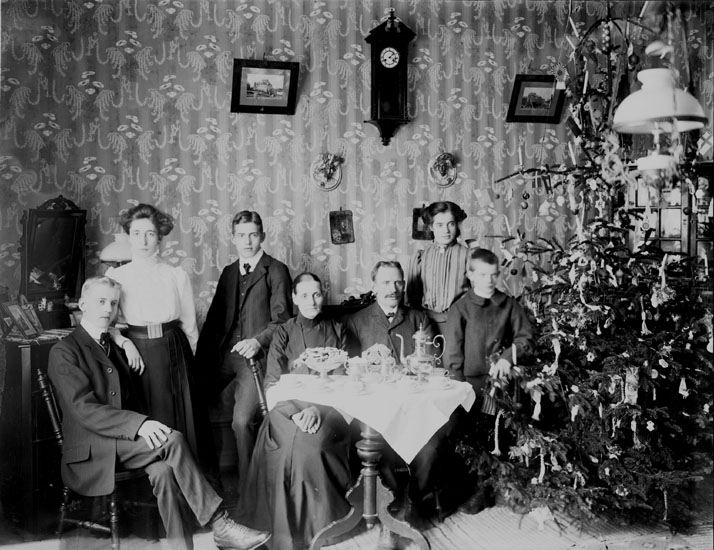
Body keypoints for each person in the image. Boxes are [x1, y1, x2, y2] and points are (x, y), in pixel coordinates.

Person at [48, 276, 271, 550]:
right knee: (172, 440)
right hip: (90, 451)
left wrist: (124, 342)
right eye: (101, 301)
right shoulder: (64, 351)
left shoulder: (112, 344)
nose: (108, 309)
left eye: (114, 304)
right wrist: (141, 425)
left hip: (118, 442)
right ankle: (220, 524)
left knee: (164, 471)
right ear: (83, 304)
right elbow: (85, 410)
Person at [239, 273, 352, 550]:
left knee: (310, 447)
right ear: (294, 298)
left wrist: (316, 408)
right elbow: (272, 380)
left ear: (323, 295)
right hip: (286, 407)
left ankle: (318, 528)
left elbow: (343, 379)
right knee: (285, 446)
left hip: (328, 407)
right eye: (304, 295)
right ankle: (282, 531)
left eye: (316, 294)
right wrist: (294, 412)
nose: (311, 301)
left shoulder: (338, 329)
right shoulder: (284, 331)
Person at [343, 261, 448, 518]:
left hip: (414, 408)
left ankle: (411, 501)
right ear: (374, 286)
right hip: (376, 411)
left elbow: (434, 364)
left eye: (398, 282)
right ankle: (392, 502)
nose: (393, 288)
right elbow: (350, 371)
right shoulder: (356, 321)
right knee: (377, 445)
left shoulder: (418, 319)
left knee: (432, 446)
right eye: (386, 282)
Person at [195, 210, 292, 486]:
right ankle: (206, 478)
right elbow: (214, 323)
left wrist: (257, 341)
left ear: (262, 236)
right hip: (225, 355)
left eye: (253, 235)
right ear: (233, 238)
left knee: (242, 421)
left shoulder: (276, 270)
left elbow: (283, 322)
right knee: (190, 401)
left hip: (256, 357)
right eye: (241, 235)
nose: (247, 241)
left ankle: (251, 487)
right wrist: (198, 362)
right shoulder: (229, 273)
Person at [443, 247, 535, 513]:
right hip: (468, 385)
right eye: (482, 275)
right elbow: (453, 355)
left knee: (498, 435)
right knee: (469, 437)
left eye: (494, 274)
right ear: (470, 275)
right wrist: (459, 390)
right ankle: (473, 489)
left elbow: (526, 338)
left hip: (502, 385)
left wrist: (508, 356)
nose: (489, 280)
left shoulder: (509, 305)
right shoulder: (460, 308)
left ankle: (498, 488)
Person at [106, 204, 201, 457]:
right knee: (148, 414)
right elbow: (107, 325)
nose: (143, 241)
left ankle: (186, 471)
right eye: (136, 234)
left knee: (182, 414)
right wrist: (125, 344)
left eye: (150, 233)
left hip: (174, 348)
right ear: (128, 236)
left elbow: (189, 325)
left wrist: (187, 362)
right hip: (137, 352)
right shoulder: (117, 276)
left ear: (159, 237)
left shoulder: (175, 275)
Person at [406, 201, 470, 334]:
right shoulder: (421, 257)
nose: (446, 230)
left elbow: (477, 296)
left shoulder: (468, 256)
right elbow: (411, 299)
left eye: (451, 224)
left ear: (457, 225)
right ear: (431, 226)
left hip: (460, 324)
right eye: (439, 225)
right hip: (425, 324)